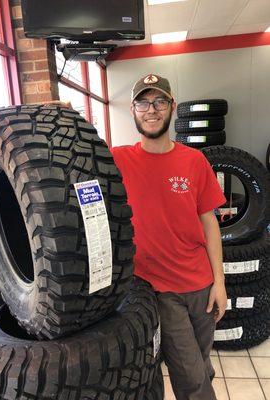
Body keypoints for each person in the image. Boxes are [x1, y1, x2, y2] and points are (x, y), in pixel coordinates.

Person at [110, 74, 228, 400]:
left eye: (159, 101)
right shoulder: (118, 159)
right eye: (143, 102)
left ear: (172, 107)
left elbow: (209, 224)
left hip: (201, 284)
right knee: (190, 375)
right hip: (161, 290)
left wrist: (219, 282)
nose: (152, 110)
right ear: (132, 110)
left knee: (200, 361)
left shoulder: (194, 161)